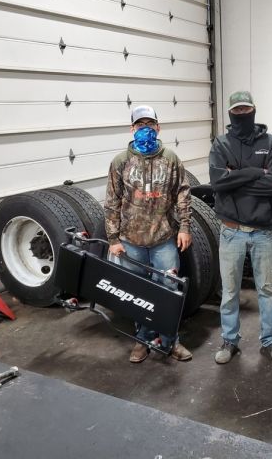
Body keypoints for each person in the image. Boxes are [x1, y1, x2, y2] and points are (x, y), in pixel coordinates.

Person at [105, 104, 193, 363]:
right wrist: (113, 239)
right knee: (138, 294)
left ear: (158, 126)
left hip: (163, 240)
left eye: (149, 124)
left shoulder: (171, 158)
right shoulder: (121, 162)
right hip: (131, 242)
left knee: (168, 291)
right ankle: (143, 341)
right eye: (140, 125)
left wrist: (185, 227)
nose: (145, 129)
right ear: (132, 129)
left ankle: (170, 342)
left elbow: (183, 194)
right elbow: (112, 201)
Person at [209, 91, 272, 364]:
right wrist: (256, 172)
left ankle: (270, 341)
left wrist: (235, 177)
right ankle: (230, 341)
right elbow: (218, 182)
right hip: (231, 231)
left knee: (265, 289)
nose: (242, 114)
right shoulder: (221, 144)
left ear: (254, 110)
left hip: (263, 232)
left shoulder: (270, 142)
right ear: (231, 113)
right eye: (237, 111)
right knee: (230, 291)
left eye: (246, 110)